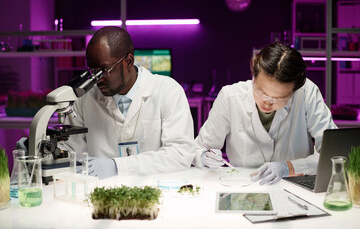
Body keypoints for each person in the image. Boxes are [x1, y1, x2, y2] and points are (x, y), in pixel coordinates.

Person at [18, 26, 196, 179]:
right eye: (92, 70)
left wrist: (116, 166)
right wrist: (39, 150)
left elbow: (180, 154)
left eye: (103, 70)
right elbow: (73, 150)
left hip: (157, 192)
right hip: (101, 195)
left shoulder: (168, 91)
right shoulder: (85, 99)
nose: (97, 79)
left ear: (128, 61)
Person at [193, 42, 337, 185]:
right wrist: (204, 156)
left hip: (295, 184)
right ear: (253, 76)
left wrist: (288, 167)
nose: (267, 103)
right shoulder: (230, 97)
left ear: (294, 91)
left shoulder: (307, 93)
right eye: (261, 92)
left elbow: (333, 154)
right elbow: (199, 147)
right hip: (243, 185)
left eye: (279, 98)